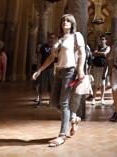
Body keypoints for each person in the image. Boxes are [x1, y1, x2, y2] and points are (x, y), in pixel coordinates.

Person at [32, 14, 86, 148]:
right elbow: (51, 58)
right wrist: (39, 70)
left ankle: (62, 135)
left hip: (70, 71)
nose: (65, 22)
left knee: (63, 102)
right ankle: (73, 117)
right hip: (59, 71)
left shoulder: (76, 36)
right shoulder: (60, 40)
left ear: (72, 23)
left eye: (68, 21)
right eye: (63, 21)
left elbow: (82, 53)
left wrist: (80, 69)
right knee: (54, 102)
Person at [34, 33, 57, 107]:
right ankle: (40, 100)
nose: (52, 39)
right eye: (50, 38)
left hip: (52, 68)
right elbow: (39, 58)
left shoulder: (56, 48)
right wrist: (38, 68)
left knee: (51, 85)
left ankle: (51, 101)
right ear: (48, 38)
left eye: (53, 38)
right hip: (43, 68)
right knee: (41, 84)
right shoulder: (43, 47)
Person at [90, 34, 110, 106]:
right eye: (101, 39)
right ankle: (93, 98)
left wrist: (98, 53)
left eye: (103, 39)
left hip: (103, 67)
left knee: (102, 83)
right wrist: (100, 54)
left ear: (106, 40)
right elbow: (93, 54)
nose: (102, 41)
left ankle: (102, 98)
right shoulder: (97, 47)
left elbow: (105, 54)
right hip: (96, 66)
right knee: (95, 83)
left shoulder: (108, 47)